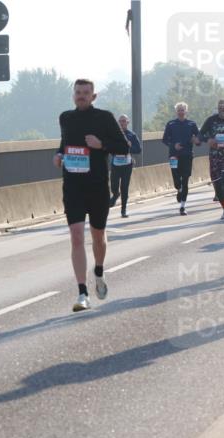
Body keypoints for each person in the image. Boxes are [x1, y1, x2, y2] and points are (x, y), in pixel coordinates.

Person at [53, 79, 129, 312]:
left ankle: (98, 270)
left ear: (93, 96)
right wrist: (58, 155)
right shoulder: (66, 117)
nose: (81, 96)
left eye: (86, 93)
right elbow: (65, 143)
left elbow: (124, 147)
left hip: (97, 186)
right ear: (73, 95)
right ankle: (82, 293)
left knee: (98, 236)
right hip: (73, 186)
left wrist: (101, 144)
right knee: (76, 237)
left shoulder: (104, 117)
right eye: (78, 93)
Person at [162, 102, 202, 216]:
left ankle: (182, 206)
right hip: (174, 156)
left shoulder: (191, 124)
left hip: (187, 155)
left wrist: (197, 140)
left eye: (183, 110)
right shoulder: (170, 124)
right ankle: (178, 189)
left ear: (186, 111)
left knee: (185, 180)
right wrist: (173, 145)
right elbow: (164, 140)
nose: (181, 112)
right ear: (176, 111)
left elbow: (199, 139)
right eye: (179, 110)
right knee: (176, 180)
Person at [198, 99, 224, 220]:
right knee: (217, 183)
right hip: (214, 156)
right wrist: (208, 140)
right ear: (218, 109)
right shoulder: (211, 120)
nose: (223, 110)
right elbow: (200, 135)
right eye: (221, 108)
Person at [108, 114, 142, 218]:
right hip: (116, 163)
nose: (122, 123)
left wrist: (130, 148)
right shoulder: (113, 134)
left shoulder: (132, 135)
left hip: (127, 164)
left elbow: (138, 149)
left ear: (128, 122)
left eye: (124, 121)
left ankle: (123, 210)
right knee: (114, 184)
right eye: (120, 121)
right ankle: (115, 194)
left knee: (124, 187)